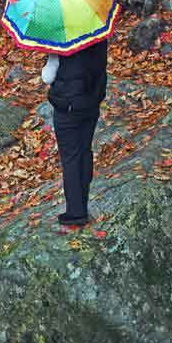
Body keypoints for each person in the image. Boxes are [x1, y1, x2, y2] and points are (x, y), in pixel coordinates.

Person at [42, 38, 108, 226]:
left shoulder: (58, 39)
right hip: (91, 102)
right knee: (84, 150)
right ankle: (83, 200)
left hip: (68, 108)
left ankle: (76, 212)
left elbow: (47, 76)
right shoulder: (99, 35)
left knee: (70, 157)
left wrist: (48, 57)